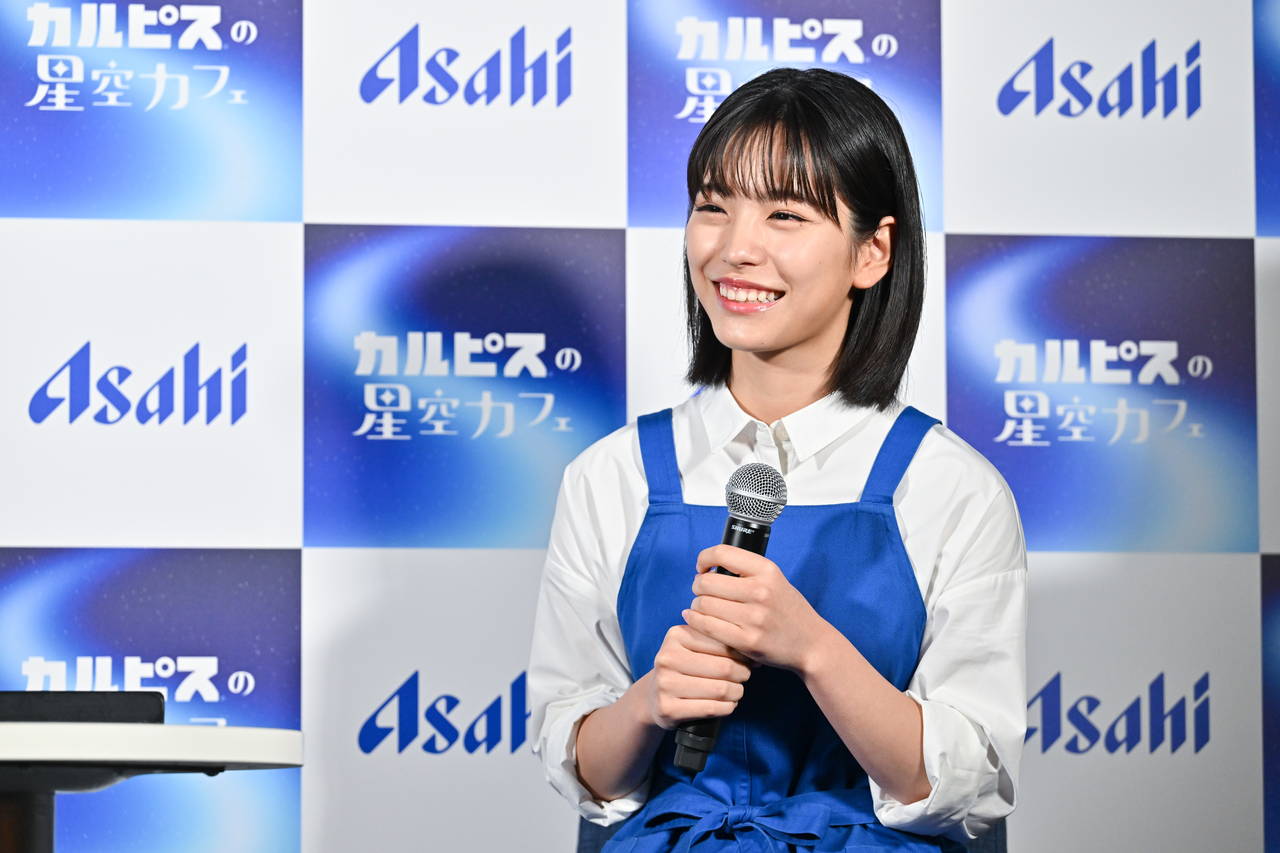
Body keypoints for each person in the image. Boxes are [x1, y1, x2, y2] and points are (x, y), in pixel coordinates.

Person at [528, 67, 1026, 852]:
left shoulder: (952, 486)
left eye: (785, 214)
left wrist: (813, 648)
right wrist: (651, 701)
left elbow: (970, 786)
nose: (735, 249)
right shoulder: (610, 474)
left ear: (873, 251)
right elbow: (582, 768)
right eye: (712, 207)